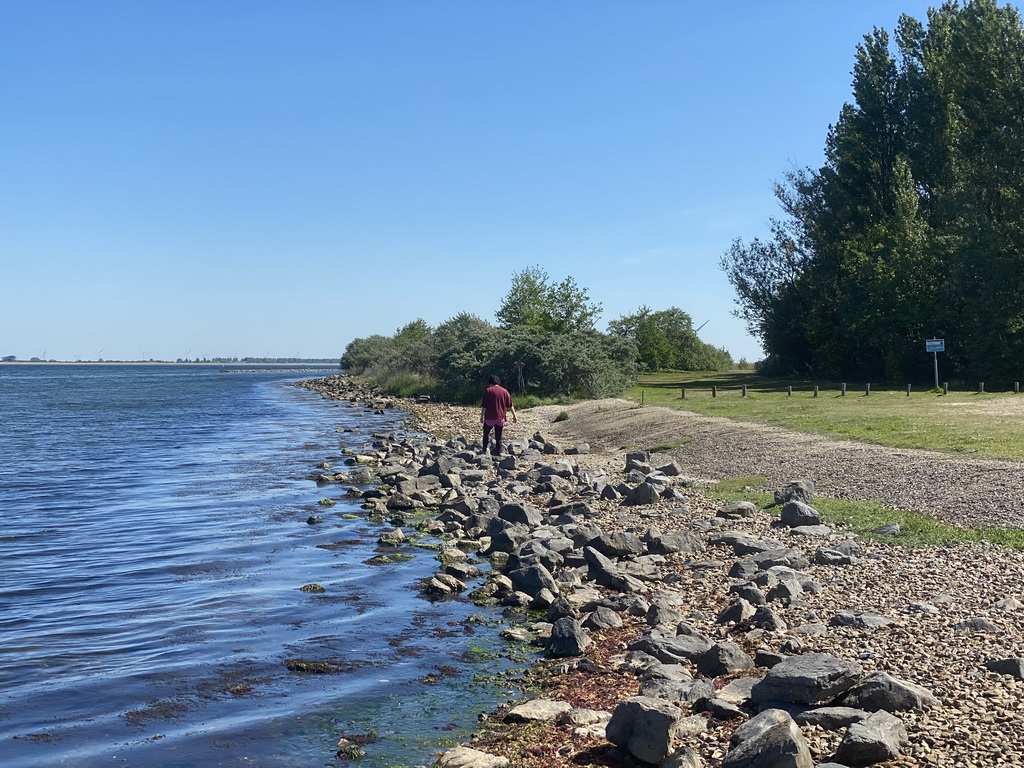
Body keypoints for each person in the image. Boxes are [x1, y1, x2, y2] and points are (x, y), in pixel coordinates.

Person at [480, 374, 517, 456]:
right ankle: (499, 453)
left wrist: (482, 416)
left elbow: (484, 405)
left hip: (490, 417)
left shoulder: (488, 390)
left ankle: (484, 451)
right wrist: (514, 416)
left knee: (486, 434)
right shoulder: (504, 391)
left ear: (490, 382)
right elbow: (510, 405)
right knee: (498, 437)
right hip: (500, 417)